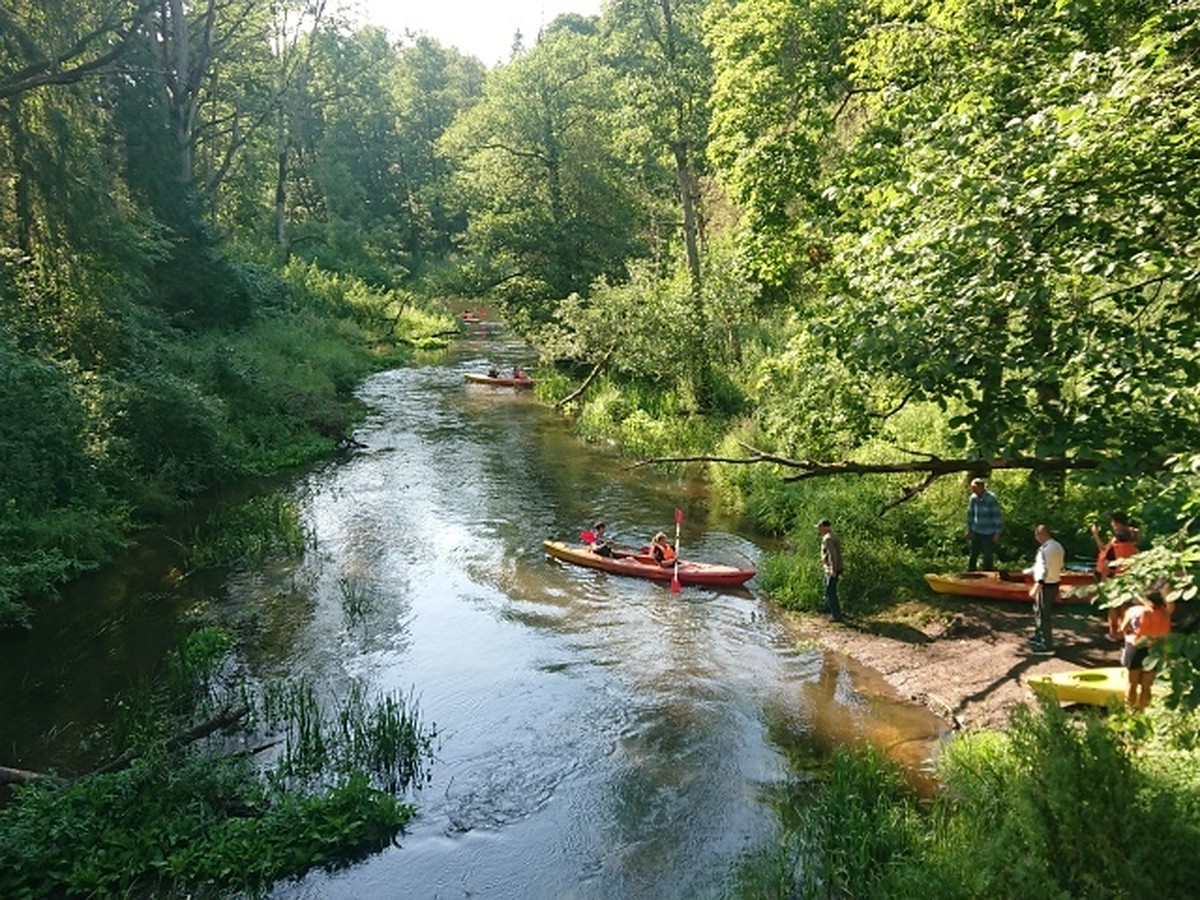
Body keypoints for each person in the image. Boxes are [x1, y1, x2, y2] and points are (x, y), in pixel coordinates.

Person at [1092, 511, 1141, 638]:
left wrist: (1103, 581)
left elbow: (1106, 560)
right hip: (1127, 577)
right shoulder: (1133, 544)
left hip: (1114, 577)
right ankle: (1123, 631)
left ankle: (1114, 633)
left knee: (1113, 605)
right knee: (1125, 605)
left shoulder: (1115, 546)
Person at [1120, 590, 1172, 709]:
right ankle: (1144, 711)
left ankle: (1130, 711)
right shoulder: (1165, 614)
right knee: (1146, 686)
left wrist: (1128, 636)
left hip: (1136, 647)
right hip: (1155, 649)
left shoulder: (1135, 611)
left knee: (1132, 683)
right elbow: (1167, 633)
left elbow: (1123, 628)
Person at [1024, 524, 1064, 654]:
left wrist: (1036, 586)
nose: (1036, 538)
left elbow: (1042, 569)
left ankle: (1045, 645)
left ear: (1041, 534)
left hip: (1045, 585)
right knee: (1039, 610)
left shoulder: (1044, 549)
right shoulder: (1058, 546)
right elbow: (1054, 566)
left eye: (1036, 535)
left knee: (1043, 615)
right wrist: (1026, 571)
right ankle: (1038, 636)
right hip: (1055, 583)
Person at [965, 477, 1003, 571]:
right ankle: (971, 573)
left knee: (987, 556)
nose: (973, 490)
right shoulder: (973, 498)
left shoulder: (991, 499)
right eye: (972, 488)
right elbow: (970, 514)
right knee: (973, 554)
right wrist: (969, 530)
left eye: (974, 488)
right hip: (976, 531)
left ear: (981, 487)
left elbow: (997, 516)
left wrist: (997, 533)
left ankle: (988, 575)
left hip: (989, 532)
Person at [816, 518, 844, 622]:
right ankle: (828, 609)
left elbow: (833, 555)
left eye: (820, 527)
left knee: (830, 591)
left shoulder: (828, 538)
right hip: (833, 568)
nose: (819, 529)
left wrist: (833, 569)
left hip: (832, 569)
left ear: (825, 527)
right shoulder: (833, 535)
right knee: (827, 589)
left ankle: (836, 616)